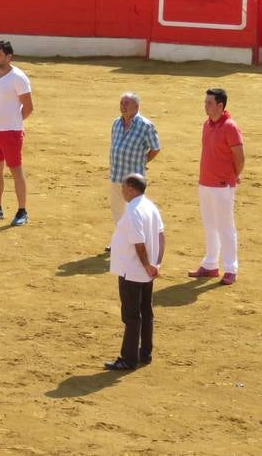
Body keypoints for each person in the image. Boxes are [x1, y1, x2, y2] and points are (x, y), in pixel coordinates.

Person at [105, 174, 164, 371]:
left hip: (132, 271)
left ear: (131, 188)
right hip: (147, 272)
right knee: (146, 313)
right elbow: (161, 236)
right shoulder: (151, 207)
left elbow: (139, 244)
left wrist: (147, 264)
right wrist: (156, 264)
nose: (121, 190)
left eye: (123, 187)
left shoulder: (133, 210)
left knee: (131, 317)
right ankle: (144, 353)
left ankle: (128, 359)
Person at [189, 88, 245, 286]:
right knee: (209, 224)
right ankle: (211, 264)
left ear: (220, 105)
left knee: (225, 227)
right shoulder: (207, 125)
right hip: (205, 182)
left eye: (209, 103)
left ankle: (231, 268)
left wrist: (233, 176)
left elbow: (239, 156)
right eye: (205, 103)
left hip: (222, 185)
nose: (205, 106)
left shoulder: (230, 127)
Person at [0, 40, 34, 227]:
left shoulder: (19, 77)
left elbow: (28, 107)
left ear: (9, 57)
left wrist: (15, 123)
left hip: (11, 132)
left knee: (16, 170)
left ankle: (22, 211)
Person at [107, 93, 161, 241]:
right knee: (117, 211)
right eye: (121, 103)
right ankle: (122, 240)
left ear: (136, 107)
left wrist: (143, 161)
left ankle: (138, 240)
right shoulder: (116, 123)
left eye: (126, 103)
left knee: (135, 211)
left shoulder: (146, 126)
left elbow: (156, 148)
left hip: (133, 179)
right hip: (116, 175)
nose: (122, 106)